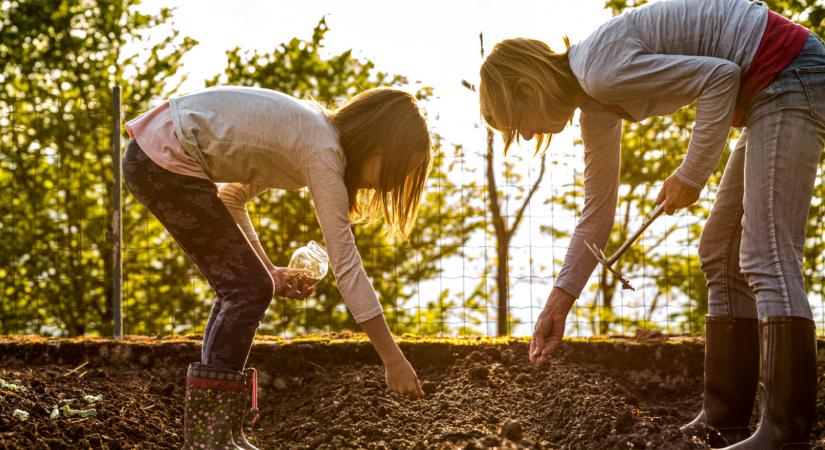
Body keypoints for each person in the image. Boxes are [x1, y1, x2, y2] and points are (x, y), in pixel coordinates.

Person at [478, 0, 822, 447]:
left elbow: (720, 77)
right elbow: (596, 213)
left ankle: (783, 432)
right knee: (720, 249)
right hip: (768, 89)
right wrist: (557, 305)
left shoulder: (599, 70)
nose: (524, 137)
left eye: (515, 125)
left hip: (790, 70)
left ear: (527, 87)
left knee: (767, 252)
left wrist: (690, 175)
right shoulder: (595, 103)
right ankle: (725, 419)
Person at [123, 86, 430, 449]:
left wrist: (268, 270)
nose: (390, 187)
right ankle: (210, 438)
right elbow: (346, 265)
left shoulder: (307, 133)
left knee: (248, 286)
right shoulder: (323, 149)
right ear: (376, 144)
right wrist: (393, 359)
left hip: (159, 154)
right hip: (164, 159)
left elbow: (232, 196)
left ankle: (218, 432)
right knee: (246, 289)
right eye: (394, 173)